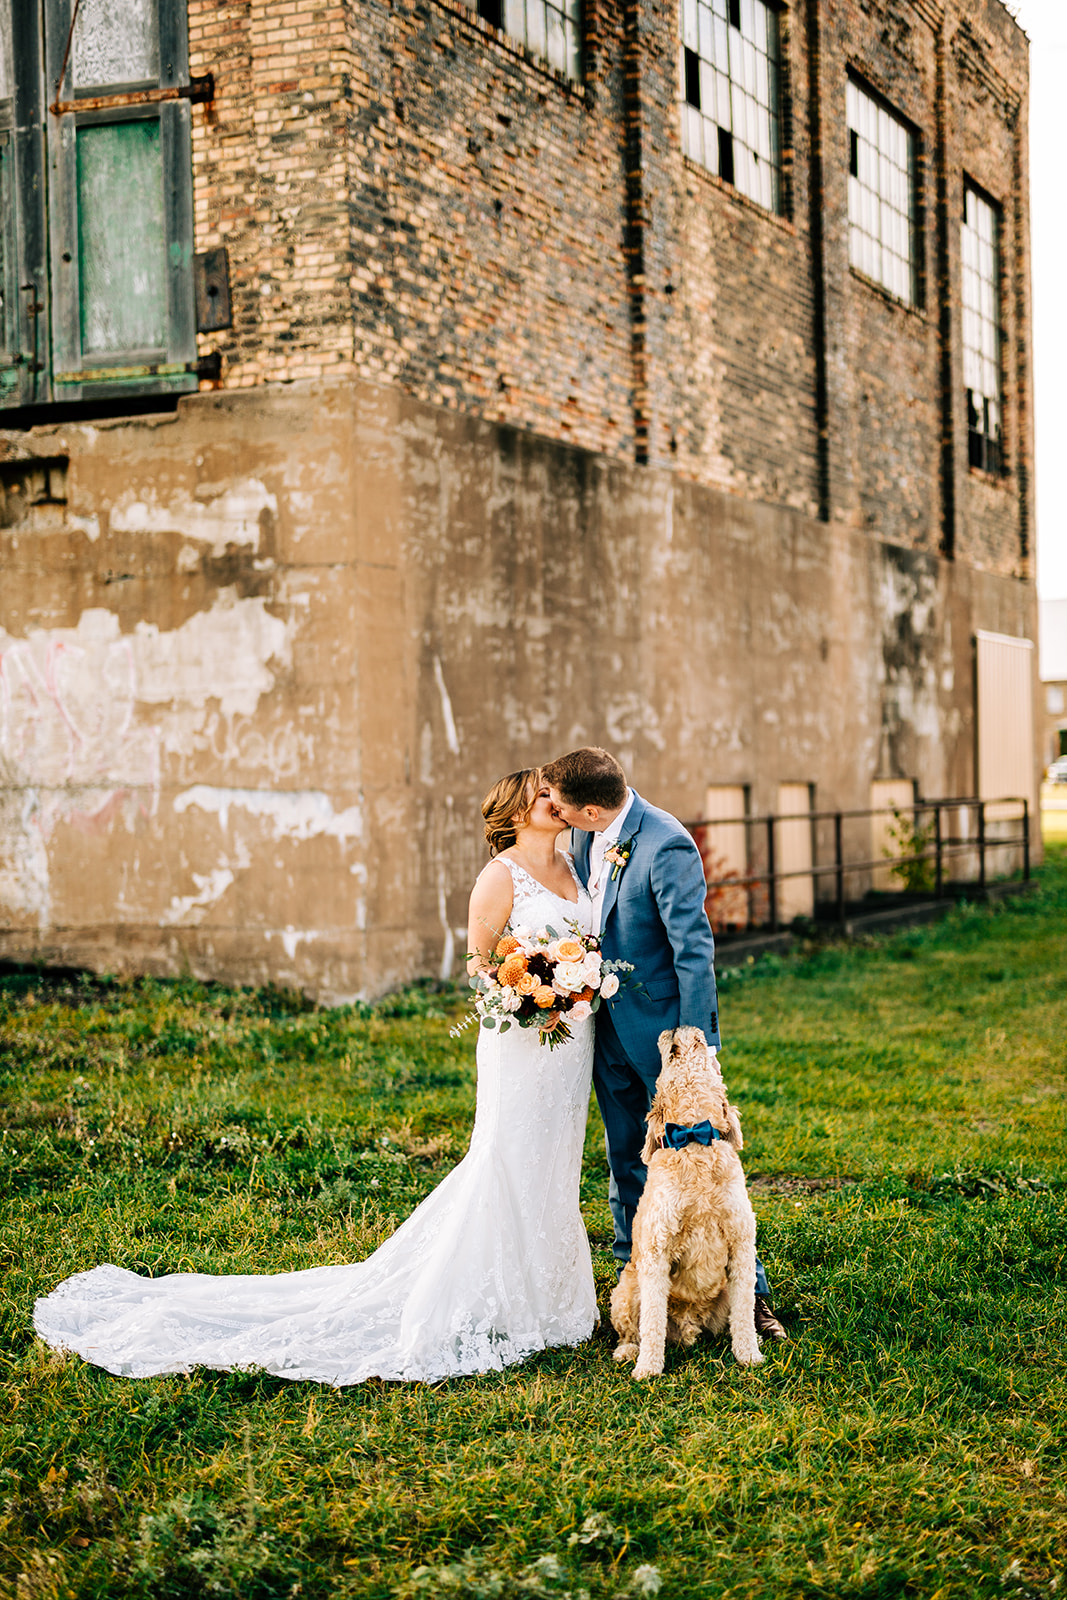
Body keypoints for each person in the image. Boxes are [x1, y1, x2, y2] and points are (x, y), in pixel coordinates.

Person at [33, 770, 597, 1385]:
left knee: (555, 1158)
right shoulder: (500, 874)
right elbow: (479, 966)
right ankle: (485, 1297)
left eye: (555, 791)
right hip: (521, 1040)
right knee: (507, 1156)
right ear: (515, 809)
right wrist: (531, 996)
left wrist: (575, 987)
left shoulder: (576, 867)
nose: (555, 799)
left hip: (572, 1043)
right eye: (542, 792)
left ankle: (547, 1294)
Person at [542, 747, 786, 1342]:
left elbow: (693, 946)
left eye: (561, 805)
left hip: (668, 1043)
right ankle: (641, 1279)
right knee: (628, 1157)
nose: (553, 811)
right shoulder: (581, 838)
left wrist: (698, 1044)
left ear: (594, 809)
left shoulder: (666, 843)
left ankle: (749, 1296)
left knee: (709, 1164)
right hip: (602, 1030)